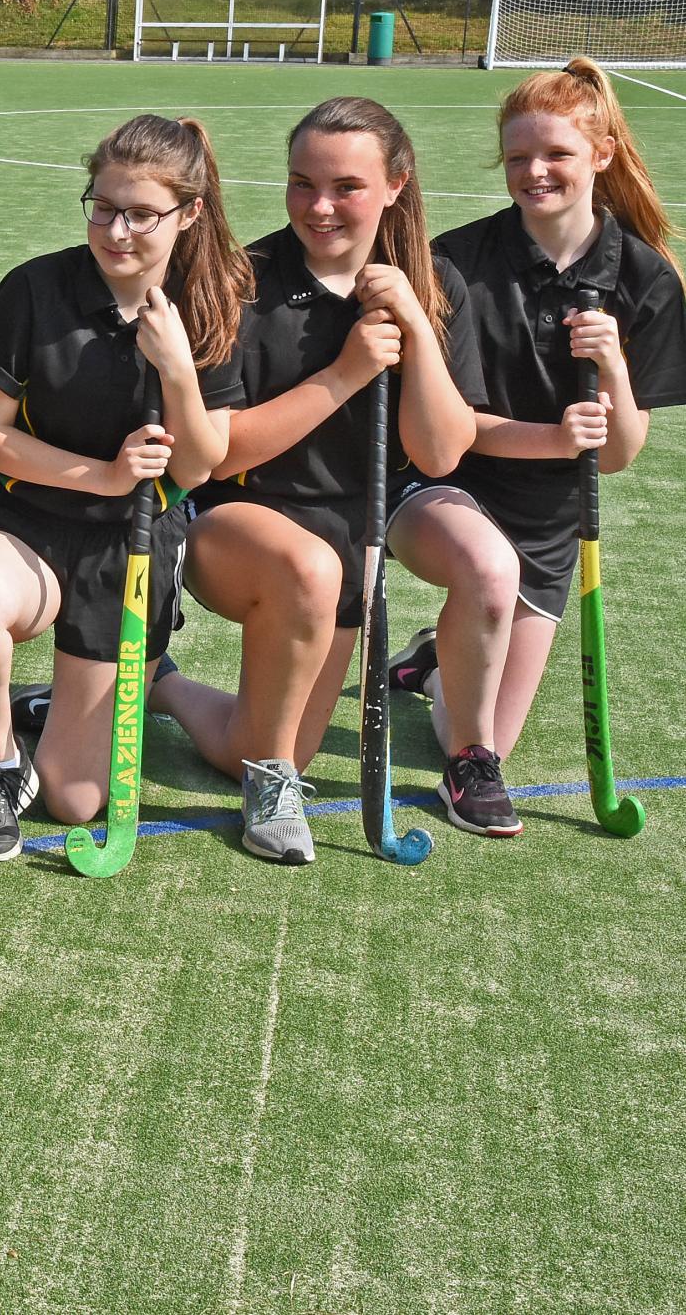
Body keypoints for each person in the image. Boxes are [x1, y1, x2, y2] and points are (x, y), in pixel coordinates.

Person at [150, 98, 479, 864]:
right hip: (232, 523)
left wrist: (418, 332)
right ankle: (271, 790)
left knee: (259, 747)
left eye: (347, 187)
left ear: (395, 185)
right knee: (308, 568)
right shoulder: (242, 282)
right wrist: (347, 371)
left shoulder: (434, 284)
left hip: (349, 544)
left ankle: (161, 684)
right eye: (302, 183)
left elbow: (440, 454)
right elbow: (221, 455)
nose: (320, 207)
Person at [0, 115, 249, 862]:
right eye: (102, 206)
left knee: (73, 797)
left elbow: (200, 467)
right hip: (28, 524)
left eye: (141, 214)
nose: (117, 230)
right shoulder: (35, 287)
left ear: (189, 213)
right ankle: (1, 764)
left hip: (128, 548)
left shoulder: (209, 305)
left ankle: (125, 686)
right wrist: (102, 475)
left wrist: (175, 367)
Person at [386, 58, 686, 836]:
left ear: (601, 154)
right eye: (518, 156)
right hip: (441, 488)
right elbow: (446, 433)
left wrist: (614, 367)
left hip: (551, 522)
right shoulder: (456, 262)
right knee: (479, 688)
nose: (534, 172)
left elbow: (619, 453)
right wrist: (555, 437)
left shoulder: (646, 280)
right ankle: (468, 765)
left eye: (555, 154)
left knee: (495, 725)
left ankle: (437, 659)